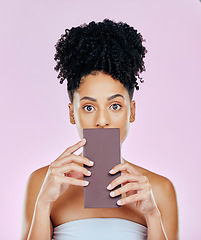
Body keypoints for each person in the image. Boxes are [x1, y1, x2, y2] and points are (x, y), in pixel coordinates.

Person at [20, 19, 179, 240]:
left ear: (131, 111)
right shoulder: (42, 183)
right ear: (71, 113)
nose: (102, 120)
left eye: (115, 106)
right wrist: (44, 203)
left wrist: (152, 214)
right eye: (88, 107)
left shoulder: (160, 189)